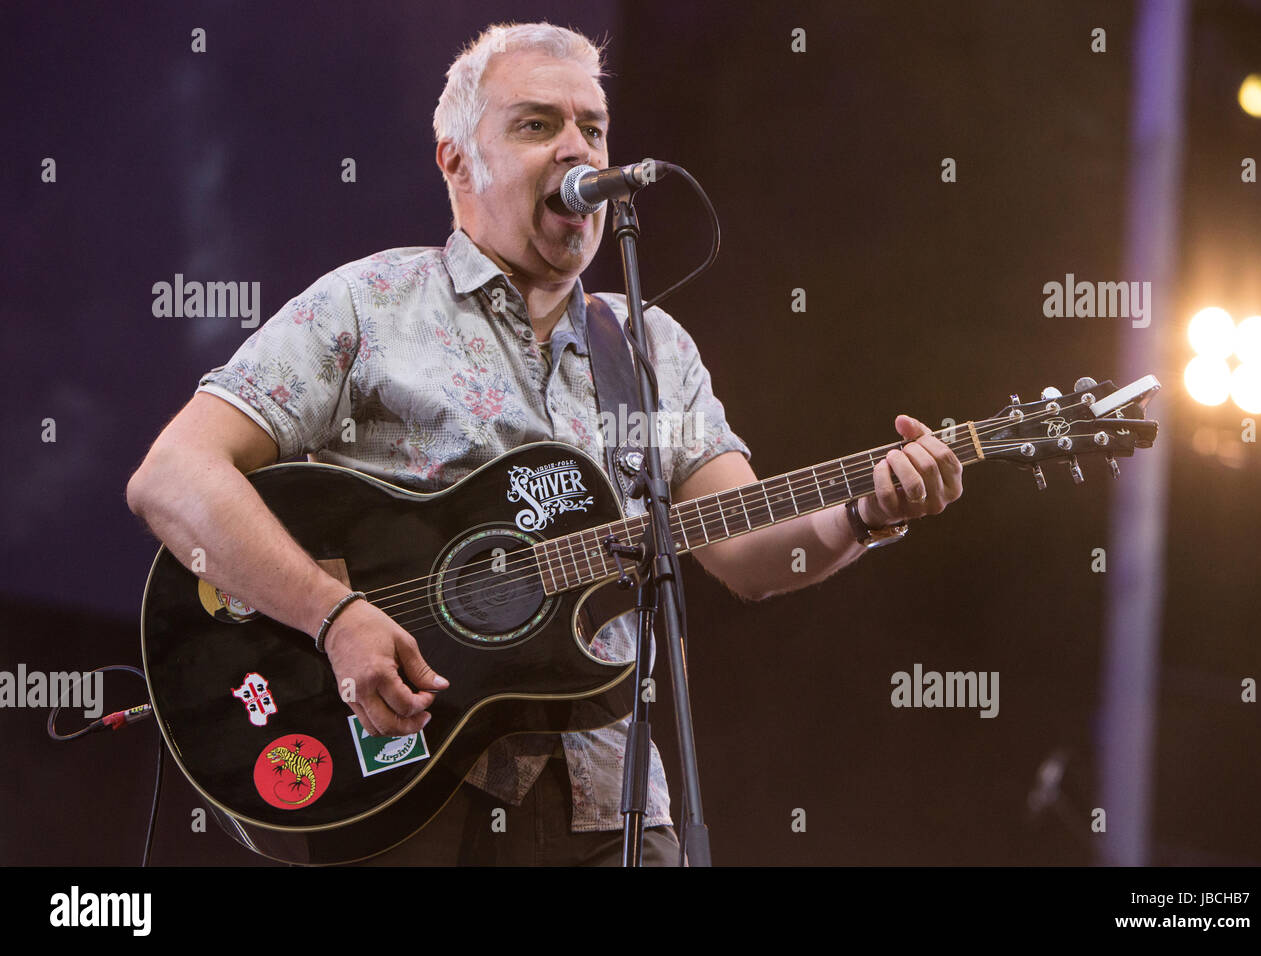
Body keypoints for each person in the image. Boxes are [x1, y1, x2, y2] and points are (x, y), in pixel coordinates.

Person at [125, 21, 963, 866]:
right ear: (456, 160)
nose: (576, 149)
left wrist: (862, 514)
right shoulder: (368, 306)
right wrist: (336, 616)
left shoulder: (650, 346)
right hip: (408, 790)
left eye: (592, 127)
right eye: (536, 125)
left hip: (612, 807)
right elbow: (174, 477)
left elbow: (746, 552)